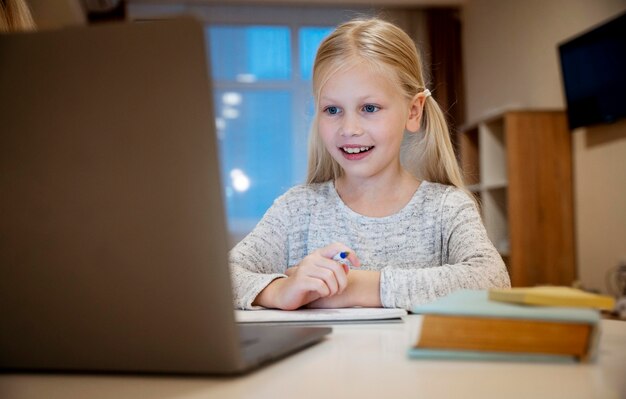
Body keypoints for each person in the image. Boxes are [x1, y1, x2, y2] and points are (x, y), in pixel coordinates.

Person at [229, 17, 510, 311]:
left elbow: (492, 281)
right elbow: (225, 277)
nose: (349, 128)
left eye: (369, 108)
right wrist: (279, 290)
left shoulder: (446, 208)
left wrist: (357, 288)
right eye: (332, 109)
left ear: (413, 112)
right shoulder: (298, 209)